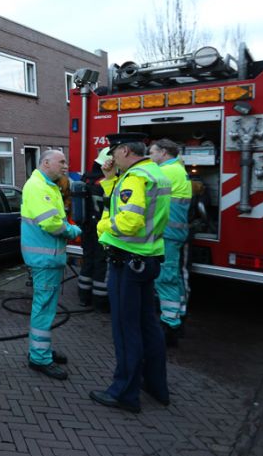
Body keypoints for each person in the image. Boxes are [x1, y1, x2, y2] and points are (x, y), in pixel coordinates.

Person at [90, 132, 171, 413]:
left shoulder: (136, 178)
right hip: (147, 259)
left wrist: (101, 226)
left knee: (126, 330)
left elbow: (129, 221)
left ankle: (124, 393)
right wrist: (110, 178)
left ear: (124, 150)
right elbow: (129, 206)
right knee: (149, 325)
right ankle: (156, 385)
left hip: (128, 262)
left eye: (112, 153)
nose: (110, 159)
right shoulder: (154, 172)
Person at [21, 149, 82, 380]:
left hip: (48, 258)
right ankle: (39, 358)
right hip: (44, 260)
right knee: (44, 308)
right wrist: (74, 230)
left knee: (46, 308)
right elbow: (52, 224)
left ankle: (42, 350)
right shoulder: (38, 187)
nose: (65, 166)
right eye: (62, 162)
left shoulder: (47, 185)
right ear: (46, 163)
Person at [149, 138, 193, 346]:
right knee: (174, 276)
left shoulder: (167, 172)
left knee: (165, 277)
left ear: (164, 152)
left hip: (167, 233)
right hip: (174, 233)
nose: (150, 156)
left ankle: (170, 324)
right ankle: (177, 315)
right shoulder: (178, 169)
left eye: (153, 152)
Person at [76, 148, 110, 311]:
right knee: (101, 263)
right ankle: (100, 302)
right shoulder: (106, 182)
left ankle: (83, 297)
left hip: (86, 228)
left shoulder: (86, 178)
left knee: (87, 261)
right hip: (101, 230)